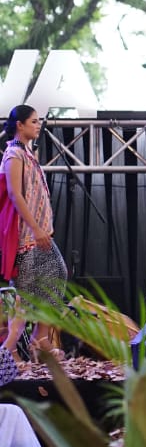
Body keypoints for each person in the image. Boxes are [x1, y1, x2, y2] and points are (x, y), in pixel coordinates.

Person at [0, 105, 68, 359]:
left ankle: (40, 337)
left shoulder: (28, 153)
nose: (38, 125)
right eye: (33, 121)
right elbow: (15, 195)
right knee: (26, 290)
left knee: (56, 274)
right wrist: (36, 228)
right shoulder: (14, 154)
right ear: (20, 125)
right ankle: (8, 350)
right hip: (26, 234)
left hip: (39, 233)